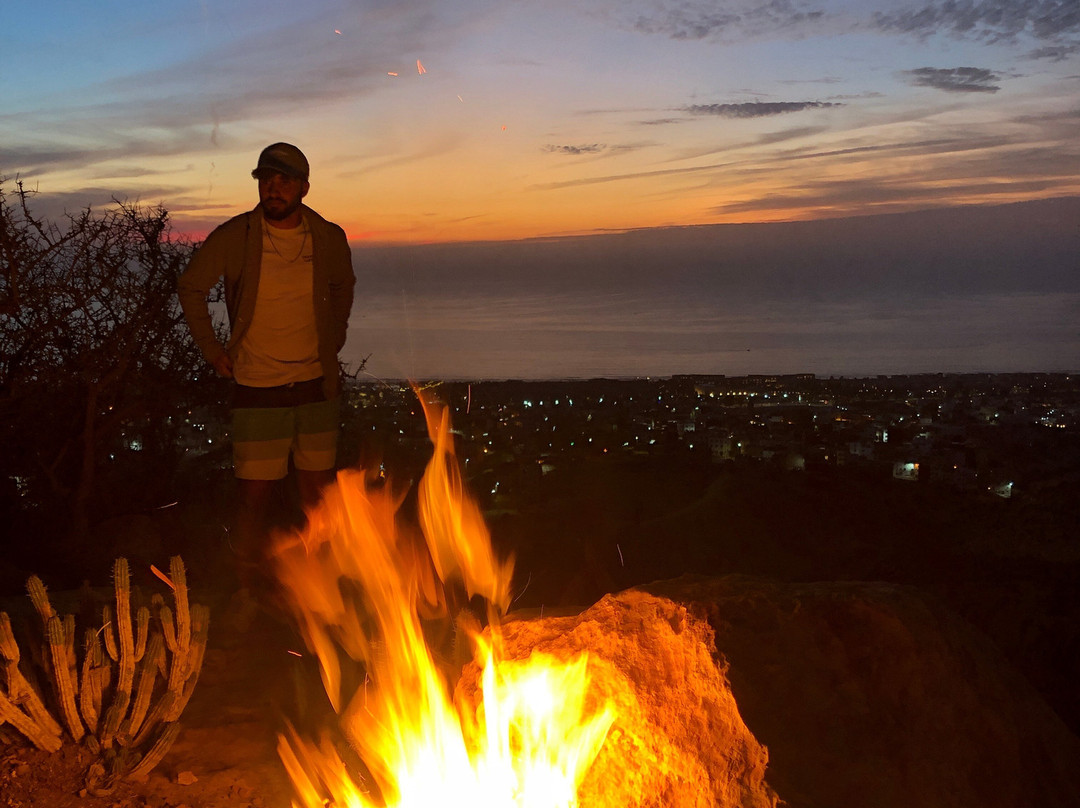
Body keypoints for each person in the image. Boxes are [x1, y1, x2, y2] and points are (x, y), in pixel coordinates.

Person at [178, 142, 355, 592]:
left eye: (284, 180)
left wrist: (333, 340)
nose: (274, 188)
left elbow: (342, 286)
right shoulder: (236, 235)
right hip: (257, 385)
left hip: (316, 385)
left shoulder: (328, 237)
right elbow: (191, 287)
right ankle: (245, 591)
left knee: (318, 501)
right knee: (253, 501)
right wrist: (211, 348)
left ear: (303, 187)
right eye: (266, 179)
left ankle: (320, 593)